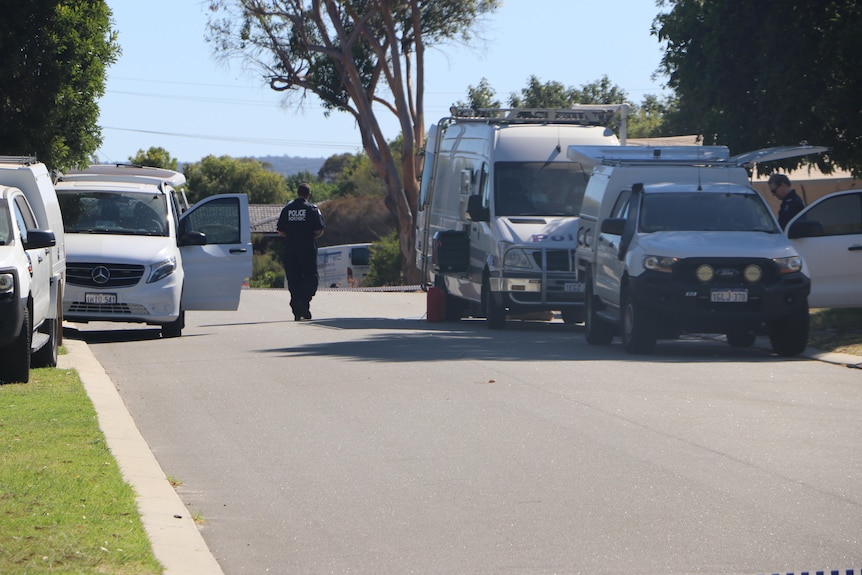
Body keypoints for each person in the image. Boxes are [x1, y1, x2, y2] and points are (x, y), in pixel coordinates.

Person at [277, 183, 325, 320]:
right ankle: (302, 302)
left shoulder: (287, 209)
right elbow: (319, 230)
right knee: (311, 278)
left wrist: (293, 236)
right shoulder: (312, 209)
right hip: (307, 250)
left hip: (290, 250)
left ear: (297, 193)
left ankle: (298, 309)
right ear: (308, 194)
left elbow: (280, 231)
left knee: (294, 280)